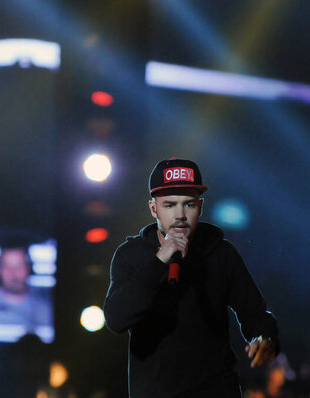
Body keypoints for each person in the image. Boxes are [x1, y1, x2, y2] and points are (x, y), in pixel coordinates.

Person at [104, 158, 280, 398]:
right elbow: (116, 319)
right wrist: (159, 262)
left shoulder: (220, 254)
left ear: (201, 207)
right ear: (153, 208)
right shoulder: (132, 255)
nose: (180, 215)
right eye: (169, 205)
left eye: (188, 205)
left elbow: (256, 314)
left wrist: (265, 338)